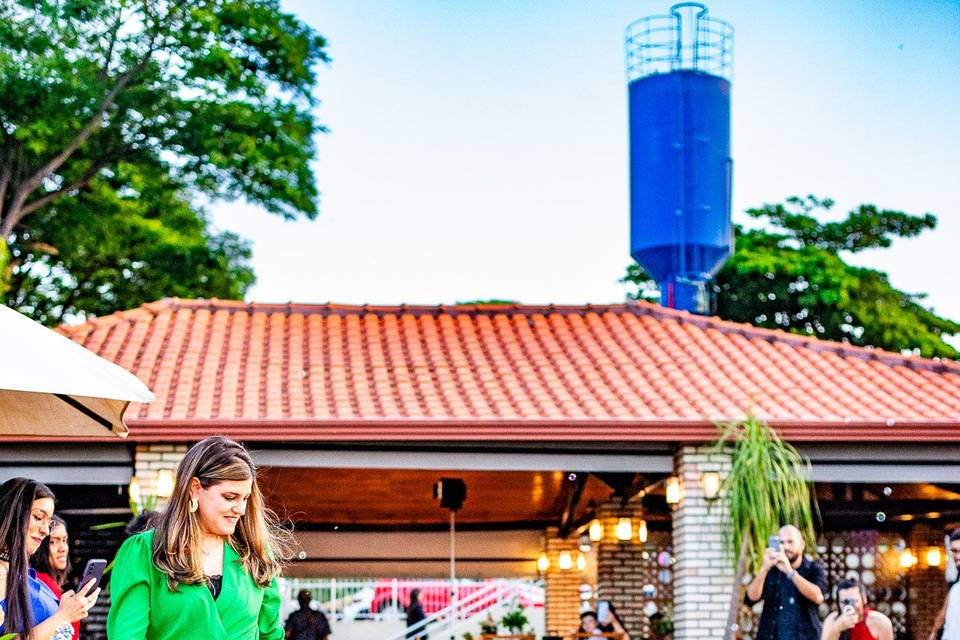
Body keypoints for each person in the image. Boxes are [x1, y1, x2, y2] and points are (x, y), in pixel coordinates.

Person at [106, 436, 294, 639]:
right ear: (195, 488)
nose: (240, 509)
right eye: (229, 497)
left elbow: (271, 634)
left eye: (245, 498)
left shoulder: (256, 553)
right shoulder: (143, 552)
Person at [0, 478, 99, 640]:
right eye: (38, 517)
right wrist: (63, 616)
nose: (45, 531)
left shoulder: (20, 574)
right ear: (13, 513)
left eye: (49, 523)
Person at [745, 524, 828, 640]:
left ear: (802, 544)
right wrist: (764, 568)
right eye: (782, 542)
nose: (786, 547)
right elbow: (750, 599)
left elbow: (818, 596)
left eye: (790, 542)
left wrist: (790, 571)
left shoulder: (813, 568)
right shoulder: (771, 570)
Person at [30, 515, 80, 640]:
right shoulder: (36, 586)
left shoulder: (54, 586)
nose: (62, 548)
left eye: (64, 540)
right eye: (53, 542)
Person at [820, 576, 893, 640]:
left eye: (853, 601)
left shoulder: (881, 622)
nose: (849, 606)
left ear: (864, 599)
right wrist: (836, 629)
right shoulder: (832, 620)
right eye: (843, 602)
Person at [930, 529, 960, 640]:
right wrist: (934, 632)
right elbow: (945, 610)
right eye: (954, 551)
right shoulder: (956, 586)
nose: (957, 556)